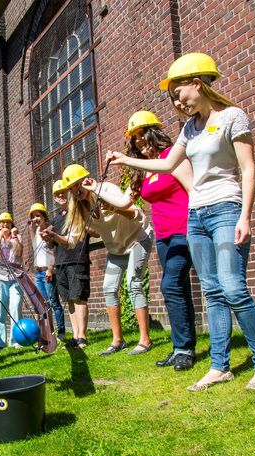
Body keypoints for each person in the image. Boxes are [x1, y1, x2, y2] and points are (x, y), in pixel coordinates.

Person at [107, 52, 255, 391]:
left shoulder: (233, 116)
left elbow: (248, 168)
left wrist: (245, 214)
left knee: (233, 288)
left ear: (197, 84)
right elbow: (168, 164)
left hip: (227, 209)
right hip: (197, 216)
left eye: (178, 93)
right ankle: (219, 366)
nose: (177, 102)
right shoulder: (189, 129)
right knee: (212, 292)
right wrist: (125, 158)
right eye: (172, 98)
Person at [83, 110, 196, 370]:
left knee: (170, 287)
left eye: (141, 134)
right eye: (133, 139)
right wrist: (94, 188)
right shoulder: (144, 171)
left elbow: (192, 189)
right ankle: (182, 347)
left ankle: (184, 349)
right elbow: (124, 202)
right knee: (178, 289)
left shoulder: (171, 157)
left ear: (154, 132)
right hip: (164, 236)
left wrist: (195, 226)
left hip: (183, 230)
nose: (138, 141)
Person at [53, 164, 154, 356]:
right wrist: (55, 237)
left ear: (85, 180)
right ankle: (118, 340)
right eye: (71, 189)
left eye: (78, 185)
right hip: (116, 248)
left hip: (138, 237)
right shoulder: (79, 210)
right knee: (108, 288)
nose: (76, 191)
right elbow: (73, 241)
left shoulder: (106, 189)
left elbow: (130, 209)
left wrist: (98, 192)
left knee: (134, 284)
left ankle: (145, 340)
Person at [41, 179, 91, 348]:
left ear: (70, 192)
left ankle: (82, 337)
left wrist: (53, 236)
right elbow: (52, 246)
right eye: (57, 194)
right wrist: (47, 238)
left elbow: (74, 239)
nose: (60, 195)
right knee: (69, 300)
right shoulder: (55, 220)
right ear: (54, 198)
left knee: (79, 298)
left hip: (77, 259)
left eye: (63, 191)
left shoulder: (78, 211)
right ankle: (75, 336)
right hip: (61, 262)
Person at [25, 202, 66, 341]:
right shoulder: (35, 231)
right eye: (34, 216)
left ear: (44, 216)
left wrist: (50, 268)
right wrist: (31, 226)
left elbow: (52, 249)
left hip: (48, 271)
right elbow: (34, 248)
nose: (36, 218)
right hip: (38, 273)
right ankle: (49, 333)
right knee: (44, 304)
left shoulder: (50, 229)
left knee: (54, 302)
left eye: (38, 215)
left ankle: (61, 333)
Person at [0, 212, 24, 349]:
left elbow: (19, 253)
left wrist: (15, 237)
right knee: (0, 313)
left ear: (11, 224)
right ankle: (0, 344)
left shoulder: (17, 237)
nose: (5, 225)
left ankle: (16, 341)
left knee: (16, 309)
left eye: (8, 222)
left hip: (16, 278)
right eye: (2, 222)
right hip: (0, 279)